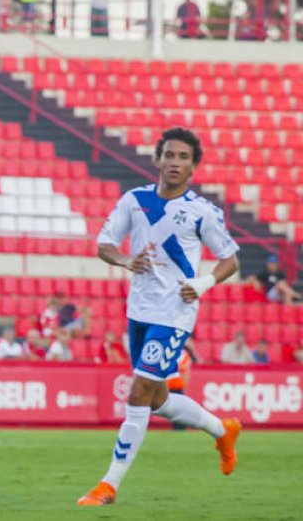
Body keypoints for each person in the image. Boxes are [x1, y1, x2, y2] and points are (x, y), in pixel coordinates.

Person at [78, 127, 241, 506]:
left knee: (138, 391)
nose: (175, 162)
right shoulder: (133, 201)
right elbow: (103, 244)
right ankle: (222, 430)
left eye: (184, 157)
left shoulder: (202, 212)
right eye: (169, 155)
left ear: (193, 167)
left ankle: (108, 485)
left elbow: (230, 259)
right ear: (158, 159)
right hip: (139, 311)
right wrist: (124, 259)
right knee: (158, 400)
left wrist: (204, 283)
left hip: (175, 313)